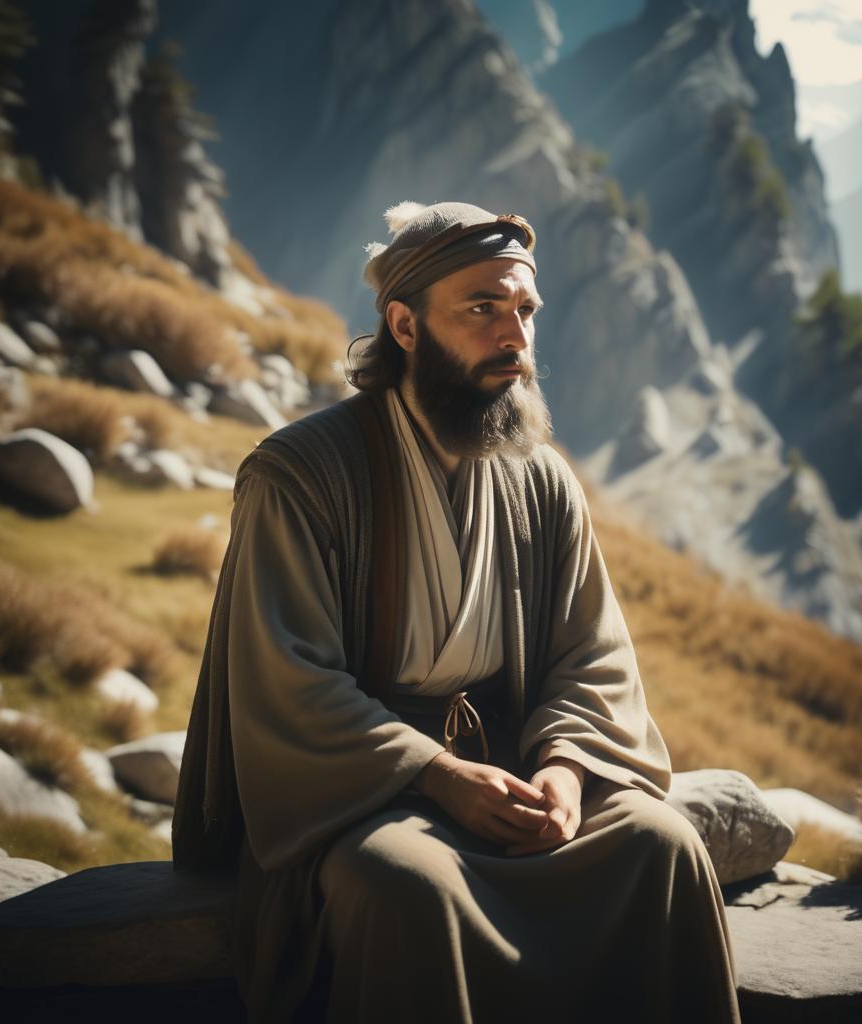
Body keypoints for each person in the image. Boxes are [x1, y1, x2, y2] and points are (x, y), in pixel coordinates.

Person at [172, 200, 742, 1023]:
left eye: (524, 311)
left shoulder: (541, 478)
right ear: (404, 327)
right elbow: (286, 679)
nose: (514, 337)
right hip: (363, 791)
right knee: (413, 888)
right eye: (482, 309)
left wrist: (565, 768)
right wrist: (436, 775)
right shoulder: (300, 475)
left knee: (664, 848)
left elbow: (592, 655)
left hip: (515, 764)